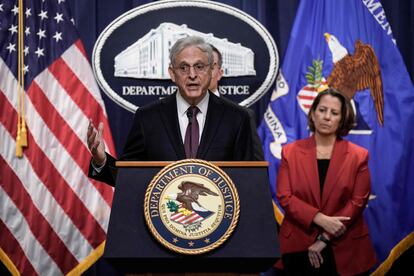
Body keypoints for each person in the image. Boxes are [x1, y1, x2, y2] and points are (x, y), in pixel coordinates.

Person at [87, 36, 260, 186]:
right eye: (183, 68)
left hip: (221, 221)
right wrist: (102, 161)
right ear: (172, 73)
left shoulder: (237, 118)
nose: (192, 74)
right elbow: (129, 178)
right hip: (160, 221)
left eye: (199, 67)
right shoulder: (148, 118)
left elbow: (249, 180)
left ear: (210, 71)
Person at [276, 88, 377, 275]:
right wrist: (319, 218)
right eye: (322, 110)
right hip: (298, 244)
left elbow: (357, 202)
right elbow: (285, 196)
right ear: (313, 114)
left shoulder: (358, 156)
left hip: (344, 246)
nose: (327, 117)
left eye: (334, 112)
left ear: (342, 119)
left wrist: (325, 237)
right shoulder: (290, 152)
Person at [208, 43, 264, 160]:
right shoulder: (164, 114)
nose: (203, 73)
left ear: (220, 73)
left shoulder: (242, 117)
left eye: (210, 67)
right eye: (198, 67)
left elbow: (255, 169)